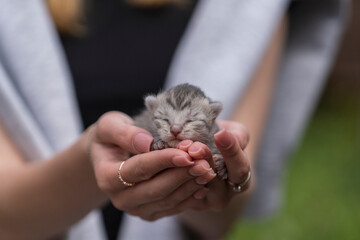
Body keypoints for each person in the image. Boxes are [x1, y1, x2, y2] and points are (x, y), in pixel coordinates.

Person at [0, 0, 349, 239]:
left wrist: (213, 187)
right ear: (153, 112)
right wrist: (90, 162)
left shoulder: (252, 10)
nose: (178, 129)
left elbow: (225, 212)